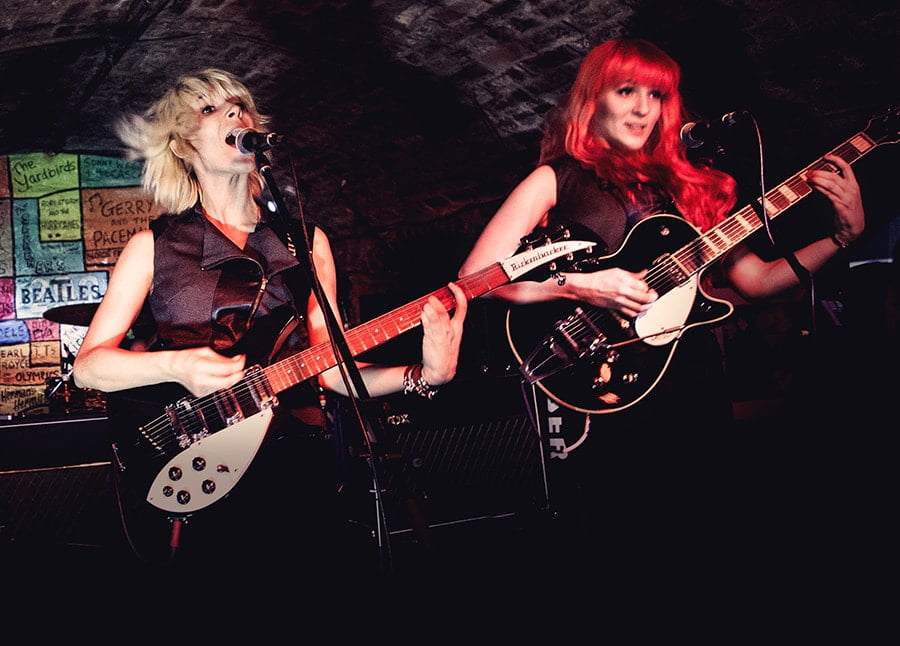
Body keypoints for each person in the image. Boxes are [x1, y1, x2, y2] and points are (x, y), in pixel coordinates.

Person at [458, 38, 865, 579]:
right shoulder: (555, 179)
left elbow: (759, 280)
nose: (643, 109)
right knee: (629, 549)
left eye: (656, 95)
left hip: (693, 384)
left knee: (709, 543)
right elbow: (475, 279)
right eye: (626, 91)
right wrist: (580, 287)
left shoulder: (690, 192)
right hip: (609, 387)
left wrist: (842, 236)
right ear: (593, 98)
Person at [72, 68, 468, 582]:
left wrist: (423, 375)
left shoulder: (306, 241)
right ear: (183, 146)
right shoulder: (153, 247)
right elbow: (89, 368)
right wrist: (178, 364)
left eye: (240, 103)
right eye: (211, 109)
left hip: (300, 461)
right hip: (204, 462)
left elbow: (331, 369)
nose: (236, 111)